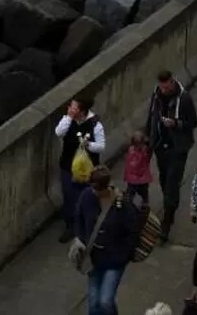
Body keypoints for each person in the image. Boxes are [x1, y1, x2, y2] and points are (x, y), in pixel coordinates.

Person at [74, 166, 142, 315]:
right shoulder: (86, 196)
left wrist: (123, 256)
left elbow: (132, 232)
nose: (93, 192)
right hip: (93, 259)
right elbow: (79, 218)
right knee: (93, 304)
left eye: (96, 189)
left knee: (105, 301)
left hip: (114, 261)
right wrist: (80, 238)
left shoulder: (122, 204)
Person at [144, 70, 197, 237]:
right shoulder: (156, 95)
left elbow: (193, 122)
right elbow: (151, 116)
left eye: (166, 87)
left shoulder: (184, 98)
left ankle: (167, 221)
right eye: (161, 87)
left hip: (177, 147)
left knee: (172, 183)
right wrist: (149, 137)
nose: (164, 90)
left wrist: (175, 123)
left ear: (172, 82)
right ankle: (170, 206)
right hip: (161, 145)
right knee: (163, 178)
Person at [54, 96, 107, 241]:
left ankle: (88, 228)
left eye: (74, 107)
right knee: (69, 197)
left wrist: (88, 144)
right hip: (68, 166)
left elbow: (101, 146)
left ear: (82, 111)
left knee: (87, 198)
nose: (70, 109)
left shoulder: (95, 124)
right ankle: (70, 226)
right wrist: (68, 118)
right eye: (70, 106)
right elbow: (59, 132)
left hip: (87, 169)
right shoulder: (68, 120)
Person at [122, 130, 154, 206]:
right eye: (135, 144)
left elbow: (148, 154)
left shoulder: (145, 151)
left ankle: (144, 204)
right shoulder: (131, 149)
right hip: (133, 178)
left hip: (142, 178)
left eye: (139, 144)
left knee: (144, 193)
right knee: (130, 193)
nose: (137, 147)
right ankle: (129, 205)